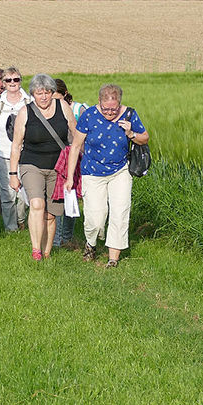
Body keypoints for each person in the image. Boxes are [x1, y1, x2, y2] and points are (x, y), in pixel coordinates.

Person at [65, 84, 149, 268]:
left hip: (120, 172)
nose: (110, 113)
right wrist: (70, 177)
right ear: (99, 102)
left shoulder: (129, 115)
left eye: (114, 109)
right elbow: (76, 146)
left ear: (120, 103)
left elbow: (144, 138)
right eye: (105, 109)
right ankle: (91, 243)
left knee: (120, 212)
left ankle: (113, 258)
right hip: (92, 172)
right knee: (95, 217)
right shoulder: (89, 116)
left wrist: (131, 132)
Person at [9, 74, 76, 261]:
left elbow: (75, 132)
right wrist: (13, 174)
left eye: (47, 92)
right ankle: (36, 250)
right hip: (32, 164)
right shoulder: (25, 112)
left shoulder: (63, 107)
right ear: (33, 95)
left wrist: (79, 159)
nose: (44, 97)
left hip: (58, 167)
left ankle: (46, 253)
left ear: (52, 93)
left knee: (51, 215)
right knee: (37, 204)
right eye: (39, 93)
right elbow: (16, 145)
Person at [0, 67, 31, 232]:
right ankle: (11, 228)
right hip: (3, 153)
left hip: (25, 152)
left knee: (23, 192)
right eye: (8, 80)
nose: (12, 83)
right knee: (7, 195)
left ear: (20, 81)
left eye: (16, 79)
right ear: (3, 83)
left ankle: (21, 220)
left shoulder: (29, 101)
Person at [52, 78, 86, 249]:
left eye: (57, 98)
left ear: (65, 94)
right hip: (57, 158)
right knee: (57, 199)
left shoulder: (79, 109)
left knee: (71, 198)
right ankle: (57, 240)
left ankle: (67, 236)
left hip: (74, 158)